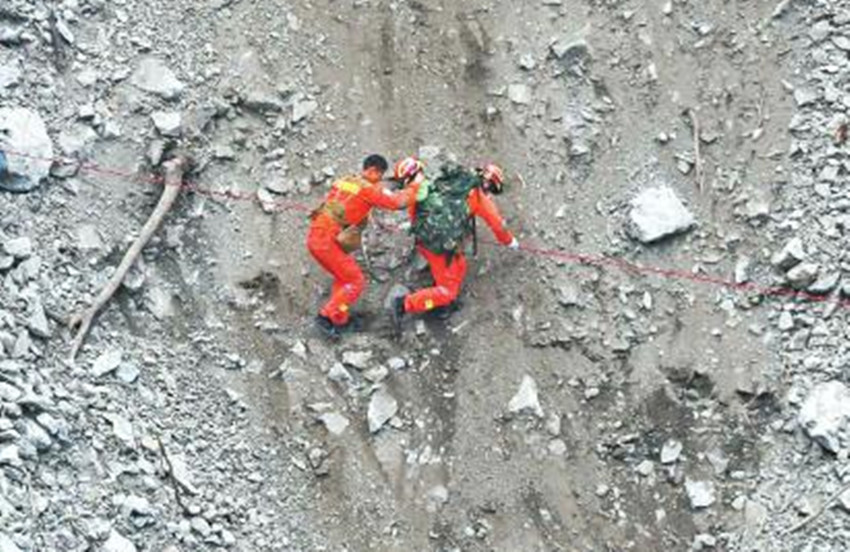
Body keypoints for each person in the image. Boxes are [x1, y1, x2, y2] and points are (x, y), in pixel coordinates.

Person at [390, 157, 518, 336]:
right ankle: (404, 304)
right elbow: (498, 226)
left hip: (425, 236)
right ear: (489, 185)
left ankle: (441, 295)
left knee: (460, 266)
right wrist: (510, 242)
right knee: (447, 292)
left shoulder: (453, 180)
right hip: (438, 247)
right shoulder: (478, 197)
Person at [307, 154, 414, 337]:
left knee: (344, 278)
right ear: (372, 170)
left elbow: (353, 204)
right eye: (379, 176)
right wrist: (414, 188)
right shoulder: (367, 189)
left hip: (317, 237)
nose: (379, 181)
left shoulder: (345, 181)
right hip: (327, 241)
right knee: (356, 281)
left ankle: (340, 319)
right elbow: (397, 202)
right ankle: (325, 317)